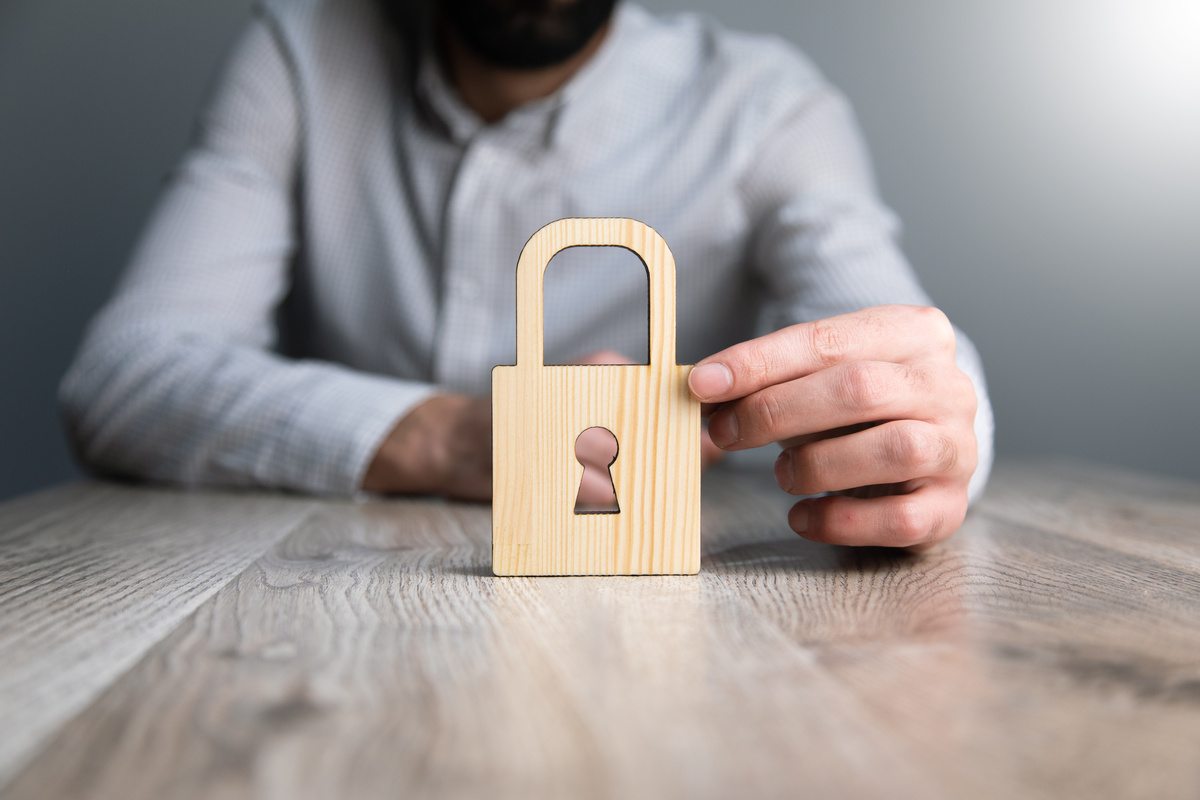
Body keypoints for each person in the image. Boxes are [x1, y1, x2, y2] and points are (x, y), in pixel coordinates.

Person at [60, 0, 994, 549]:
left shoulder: (767, 106)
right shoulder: (300, 51)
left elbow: (910, 363)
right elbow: (127, 376)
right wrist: (459, 438)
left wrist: (934, 431)